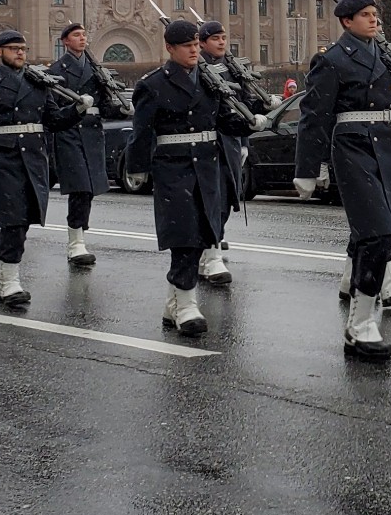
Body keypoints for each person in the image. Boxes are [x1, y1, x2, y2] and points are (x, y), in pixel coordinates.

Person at [293, 0, 391, 362]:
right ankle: (360, 325)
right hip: (352, 150)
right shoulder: (331, 61)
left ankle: (362, 314)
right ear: (346, 22)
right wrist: (307, 169)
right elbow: (314, 116)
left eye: (374, 14)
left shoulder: (386, 57)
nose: (373, 20)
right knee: (376, 235)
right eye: (364, 15)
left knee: (384, 235)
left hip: (386, 150)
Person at [126, 19, 263, 336]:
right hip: (173, 168)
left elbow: (225, 121)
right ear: (170, 48)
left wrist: (249, 124)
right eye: (186, 46)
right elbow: (142, 132)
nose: (192, 50)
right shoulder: (153, 85)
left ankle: (174, 302)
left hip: (206, 166)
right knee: (183, 237)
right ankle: (186, 305)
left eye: (194, 44)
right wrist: (136, 168)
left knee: (204, 232)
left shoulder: (211, 81)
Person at [0, 29, 84, 309]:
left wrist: (76, 110)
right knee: (13, 220)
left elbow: (52, 120)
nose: (20, 52)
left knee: (25, 218)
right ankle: (8, 282)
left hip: (33, 157)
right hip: (3, 158)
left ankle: (9, 278)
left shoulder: (37, 84)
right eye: (14, 48)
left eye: (23, 48)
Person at [196, 19, 266, 284]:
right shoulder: (198, 68)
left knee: (226, 197)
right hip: (207, 141)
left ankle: (213, 242)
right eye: (215, 39)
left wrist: (245, 141)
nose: (221, 43)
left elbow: (243, 103)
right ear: (203, 42)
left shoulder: (232, 69)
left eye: (223, 38)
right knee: (209, 200)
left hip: (231, 140)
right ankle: (210, 253)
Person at [47, 22, 112, 268]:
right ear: (65, 41)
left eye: (84, 35)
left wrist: (121, 108)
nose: (82, 39)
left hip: (92, 132)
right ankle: (75, 241)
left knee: (90, 188)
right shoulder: (56, 69)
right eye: (76, 35)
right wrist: (75, 109)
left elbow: (106, 105)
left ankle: (80, 235)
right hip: (69, 131)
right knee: (80, 188)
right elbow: (52, 106)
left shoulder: (96, 70)